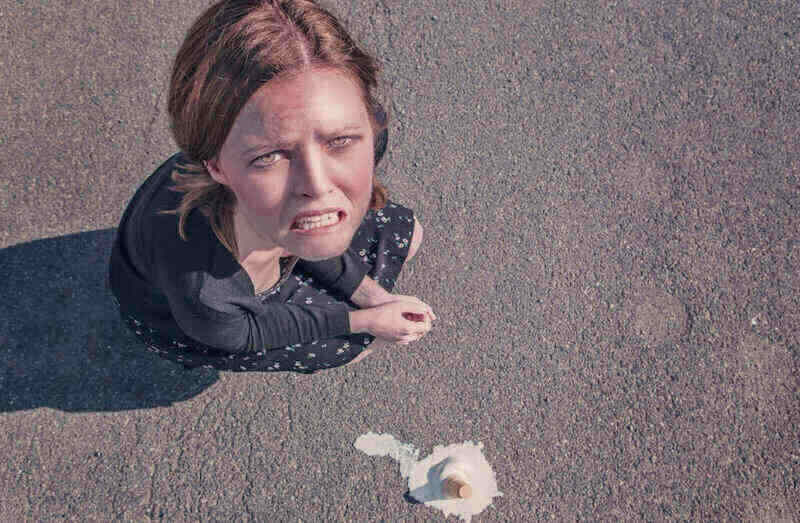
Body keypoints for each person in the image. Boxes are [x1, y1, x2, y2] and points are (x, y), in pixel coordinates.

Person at [108, 0, 435, 373]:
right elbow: (248, 331)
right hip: (195, 320)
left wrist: (375, 298)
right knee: (348, 346)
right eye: (269, 156)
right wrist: (365, 321)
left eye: (340, 141)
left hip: (268, 241)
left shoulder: (363, 139)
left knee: (410, 236)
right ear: (215, 165)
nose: (318, 185)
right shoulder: (204, 289)